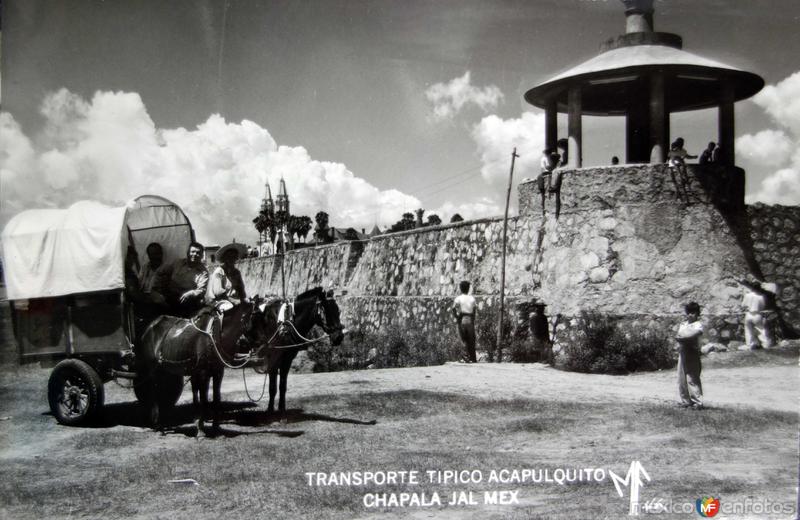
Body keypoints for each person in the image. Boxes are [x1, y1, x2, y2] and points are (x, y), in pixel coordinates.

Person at [153, 241, 209, 318]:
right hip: (170, 298)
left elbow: (201, 290)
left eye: (198, 253)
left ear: (202, 256)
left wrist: (190, 293)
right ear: (188, 253)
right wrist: (157, 288)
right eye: (192, 252)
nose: (195, 254)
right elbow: (160, 272)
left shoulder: (203, 272)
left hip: (188, 302)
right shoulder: (178, 263)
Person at [676, 301, 704, 409]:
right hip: (682, 351)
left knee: (692, 377)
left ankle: (697, 402)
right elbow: (678, 335)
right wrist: (681, 338)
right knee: (681, 378)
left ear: (697, 314)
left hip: (692, 351)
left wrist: (683, 338)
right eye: (688, 313)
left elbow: (694, 335)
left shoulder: (698, 325)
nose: (690, 315)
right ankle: (685, 401)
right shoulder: (683, 324)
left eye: (693, 313)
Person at [206, 242, 247, 309]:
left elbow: (241, 289)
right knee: (229, 308)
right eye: (229, 257)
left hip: (234, 300)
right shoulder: (219, 272)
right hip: (219, 301)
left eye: (234, 257)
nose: (232, 259)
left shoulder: (236, 272)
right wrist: (234, 301)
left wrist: (244, 299)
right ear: (224, 258)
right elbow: (219, 293)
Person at [741, 278, 773, 349]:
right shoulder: (761, 297)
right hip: (757, 314)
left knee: (748, 330)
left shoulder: (747, 295)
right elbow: (762, 307)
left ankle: (750, 345)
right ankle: (765, 344)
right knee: (761, 330)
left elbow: (743, 305)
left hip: (749, 314)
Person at [452, 281, 477, 363]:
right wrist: (473, 319)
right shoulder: (472, 298)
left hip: (462, 318)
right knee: (471, 339)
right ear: (468, 288)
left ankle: (465, 357)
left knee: (463, 338)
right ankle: (473, 358)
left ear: (460, 288)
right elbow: (474, 310)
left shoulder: (458, 298)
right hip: (469, 318)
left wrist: (456, 316)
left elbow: (453, 308)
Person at [667, 137, 697, 201]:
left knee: (682, 178)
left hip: (679, 164)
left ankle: (684, 183)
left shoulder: (682, 150)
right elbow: (672, 159)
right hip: (674, 164)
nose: (682, 144)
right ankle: (680, 196)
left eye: (682, 143)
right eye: (681, 143)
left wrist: (693, 157)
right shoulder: (674, 150)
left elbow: (686, 156)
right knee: (678, 182)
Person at [537, 148, 557, 215]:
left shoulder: (549, 158)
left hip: (549, 171)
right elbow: (544, 167)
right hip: (546, 172)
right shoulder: (544, 159)